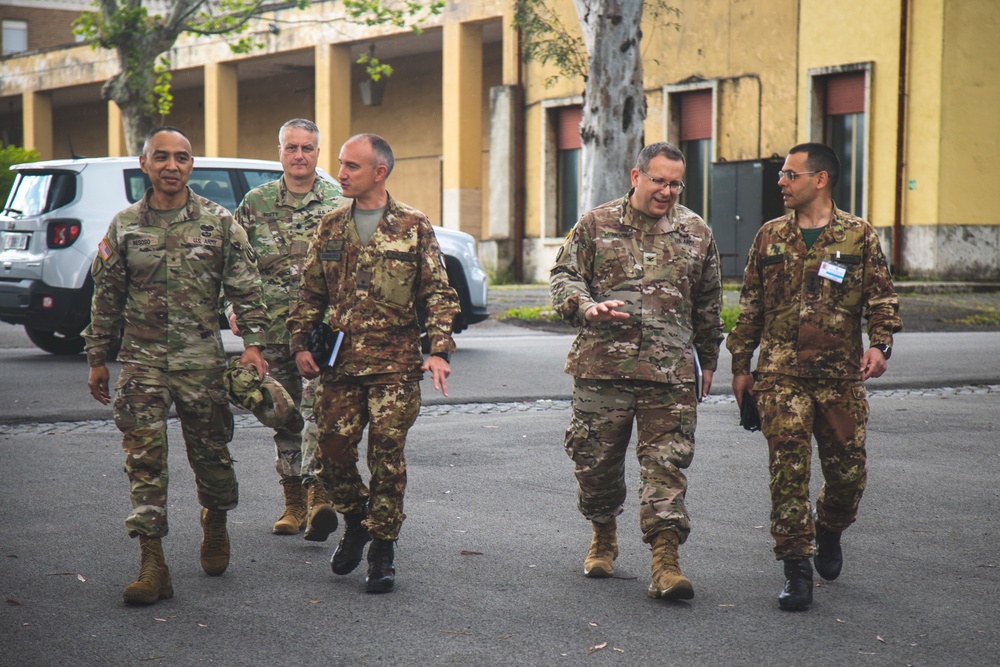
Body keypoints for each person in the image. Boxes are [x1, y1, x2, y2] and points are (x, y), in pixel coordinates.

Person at [83, 126, 270, 606]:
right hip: (142, 362)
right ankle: (153, 563)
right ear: (144, 164)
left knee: (213, 459)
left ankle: (216, 519)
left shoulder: (218, 222)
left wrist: (252, 344)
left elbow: (246, 287)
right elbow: (107, 297)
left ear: (192, 165)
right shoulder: (124, 225)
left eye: (182, 158)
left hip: (201, 361)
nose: (172, 165)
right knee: (144, 461)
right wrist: (97, 358)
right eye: (161, 157)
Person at [726, 142, 902, 612]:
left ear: (820, 179)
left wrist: (881, 345)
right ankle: (795, 569)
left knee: (848, 475)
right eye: (782, 175)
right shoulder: (768, 236)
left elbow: (881, 299)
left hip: (840, 377)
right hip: (781, 376)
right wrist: (741, 366)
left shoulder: (858, 236)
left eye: (790, 175)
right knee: (788, 472)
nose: (780, 181)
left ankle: (829, 525)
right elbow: (749, 308)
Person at [549, 141, 724, 601]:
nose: (666, 190)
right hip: (602, 371)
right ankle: (603, 532)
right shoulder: (595, 224)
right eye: (658, 180)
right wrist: (585, 307)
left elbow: (708, 304)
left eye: (674, 183)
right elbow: (564, 275)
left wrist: (709, 360)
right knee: (595, 466)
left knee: (665, 467)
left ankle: (666, 563)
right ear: (636, 176)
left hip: (670, 376)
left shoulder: (696, 232)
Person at [287, 133, 460, 594]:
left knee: (386, 459)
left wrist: (438, 350)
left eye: (351, 166)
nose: (340, 173)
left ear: (378, 173)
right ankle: (357, 520)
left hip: (394, 366)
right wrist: (300, 343)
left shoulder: (413, 224)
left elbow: (439, 293)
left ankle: (383, 548)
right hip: (340, 365)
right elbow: (309, 292)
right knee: (331, 455)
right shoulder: (329, 225)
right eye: (341, 165)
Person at [231, 118, 346, 540]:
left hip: (323, 332)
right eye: (291, 147)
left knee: (320, 411)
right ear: (279, 151)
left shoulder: (339, 201)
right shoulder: (255, 203)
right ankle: (293, 502)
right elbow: (236, 266)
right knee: (283, 415)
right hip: (273, 329)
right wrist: (234, 310)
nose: (300, 155)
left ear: (319, 152)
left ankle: (317, 494)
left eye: (308, 148)